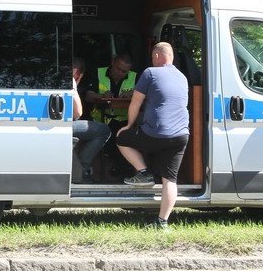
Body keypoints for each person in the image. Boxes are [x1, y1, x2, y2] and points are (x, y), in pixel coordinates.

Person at [115, 42, 189, 230]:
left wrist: (129, 126)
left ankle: (144, 173)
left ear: (156, 57)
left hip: (155, 133)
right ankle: (162, 222)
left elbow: (135, 103)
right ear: (171, 57)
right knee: (170, 180)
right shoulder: (182, 77)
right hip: (181, 135)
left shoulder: (150, 72)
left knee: (121, 138)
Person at [85, 53, 138, 178]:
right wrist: (101, 96)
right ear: (112, 63)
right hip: (101, 119)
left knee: (126, 140)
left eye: (124, 71)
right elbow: (88, 96)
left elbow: (145, 96)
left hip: (124, 121)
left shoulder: (136, 77)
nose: (120, 73)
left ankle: (125, 174)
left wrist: (133, 94)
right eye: (118, 69)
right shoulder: (98, 73)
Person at [72, 57, 111, 183]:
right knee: (103, 130)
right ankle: (82, 171)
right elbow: (78, 113)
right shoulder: (69, 80)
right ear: (76, 72)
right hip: (62, 126)